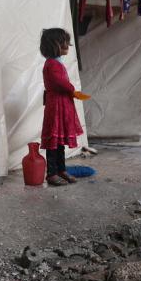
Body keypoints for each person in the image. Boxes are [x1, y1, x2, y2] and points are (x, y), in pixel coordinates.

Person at [39, 28, 85, 186]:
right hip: (56, 106)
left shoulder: (56, 62)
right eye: (64, 42)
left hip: (62, 105)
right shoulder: (52, 64)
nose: (68, 45)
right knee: (54, 140)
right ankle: (51, 173)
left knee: (59, 141)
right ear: (55, 44)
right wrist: (72, 89)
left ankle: (61, 170)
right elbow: (60, 83)